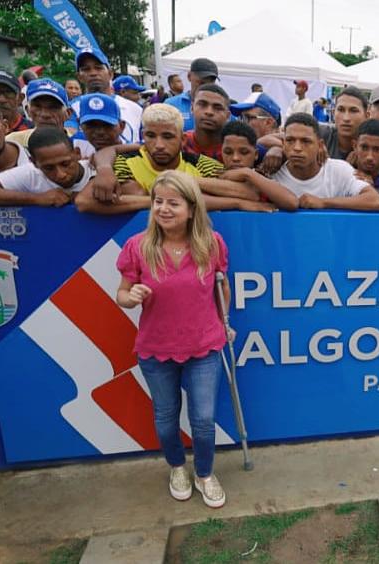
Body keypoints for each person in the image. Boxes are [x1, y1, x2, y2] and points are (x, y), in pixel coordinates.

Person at [115, 171, 231, 509]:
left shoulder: (211, 243)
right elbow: (122, 293)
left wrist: (226, 322)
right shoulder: (138, 246)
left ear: (192, 209)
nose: (163, 209)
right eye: (158, 202)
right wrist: (130, 295)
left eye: (173, 203)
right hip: (156, 349)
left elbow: (221, 286)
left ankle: (205, 474)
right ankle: (178, 468)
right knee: (166, 419)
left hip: (204, 346)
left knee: (204, 420)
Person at [81, 104, 268, 214]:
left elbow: (248, 193)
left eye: (168, 137)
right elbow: (84, 202)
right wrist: (171, 200)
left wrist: (183, 181)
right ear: (143, 136)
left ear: (183, 138)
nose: (159, 144)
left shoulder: (202, 165)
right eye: (151, 136)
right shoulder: (124, 162)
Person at [268, 113, 379, 211]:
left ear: (320, 145)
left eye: (306, 141)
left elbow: (375, 201)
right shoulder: (272, 173)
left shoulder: (339, 170)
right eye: (290, 140)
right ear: (283, 144)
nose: (297, 147)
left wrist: (324, 202)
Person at [0, 127, 91, 206]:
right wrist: (36, 199)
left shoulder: (97, 168)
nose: (60, 174)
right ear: (34, 163)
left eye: (65, 164)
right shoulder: (30, 173)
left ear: (77, 154)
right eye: (49, 168)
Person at [214, 121, 298, 211]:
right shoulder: (211, 174)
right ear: (221, 153)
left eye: (244, 152)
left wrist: (247, 174)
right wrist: (239, 204)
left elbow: (292, 203)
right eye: (228, 152)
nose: (235, 158)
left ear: (256, 154)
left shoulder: (262, 180)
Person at [69, 47, 142, 144]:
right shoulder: (72, 108)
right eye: (86, 69)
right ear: (79, 77)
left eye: (98, 68)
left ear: (110, 74)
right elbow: (69, 135)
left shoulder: (135, 109)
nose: (93, 73)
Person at [5, 78, 73, 150]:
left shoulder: (80, 144)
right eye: (37, 106)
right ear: (28, 110)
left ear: (68, 113)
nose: (45, 114)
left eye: (53, 107)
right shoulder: (12, 143)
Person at [165, 58, 220, 132]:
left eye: (210, 84)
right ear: (189, 76)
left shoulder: (221, 107)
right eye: (201, 83)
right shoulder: (170, 105)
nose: (205, 88)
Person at [182, 84, 232, 161]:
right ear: (192, 108)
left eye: (217, 108)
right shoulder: (180, 143)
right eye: (202, 105)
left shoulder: (235, 150)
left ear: (228, 116)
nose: (209, 112)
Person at [350, 119, 379, 194]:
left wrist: (371, 190)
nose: (369, 157)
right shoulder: (345, 170)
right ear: (355, 146)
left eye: (377, 149)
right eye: (364, 148)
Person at [72, 92, 125, 157]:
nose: (100, 132)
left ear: (122, 126)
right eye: (91, 125)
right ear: (80, 125)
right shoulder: (75, 144)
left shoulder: (135, 156)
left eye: (107, 125)